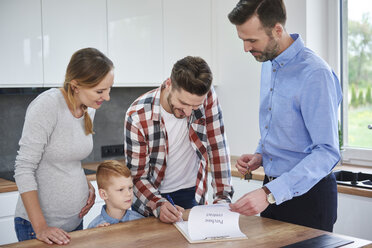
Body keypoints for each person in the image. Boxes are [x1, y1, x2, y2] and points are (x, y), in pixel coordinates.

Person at [227, 0, 342, 232]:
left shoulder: (315, 74)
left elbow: (327, 152)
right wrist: (261, 154)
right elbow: (281, 124)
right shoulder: (269, 64)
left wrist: (269, 193)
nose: (246, 48)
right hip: (272, 189)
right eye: (242, 40)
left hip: (309, 198)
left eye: (251, 40)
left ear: (277, 30)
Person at [14, 47, 114, 244]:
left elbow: (69, 157)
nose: (107, 97)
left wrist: (85, 186)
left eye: (109, 89)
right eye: (100, 91)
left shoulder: (89, 109)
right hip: (39, 228)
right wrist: (41, 227)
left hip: (75, 221)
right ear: (76, 85)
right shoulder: (48, 105)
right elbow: (23, 168)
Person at [124, 56, 234, 223]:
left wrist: (223, 200)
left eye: (195, 106)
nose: (189, 113)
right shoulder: (137, 115)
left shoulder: (207, 97)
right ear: (169, 84)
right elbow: (137, 176)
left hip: (191, 193)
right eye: (183, 103)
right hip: (150, 197)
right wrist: (158, 204)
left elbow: (217, 148)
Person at [88, 160, 144, 228]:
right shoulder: (94, 227)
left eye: (130, 187)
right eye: (121, 189)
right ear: (103, 194)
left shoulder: (140, 221)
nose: (128, 194)